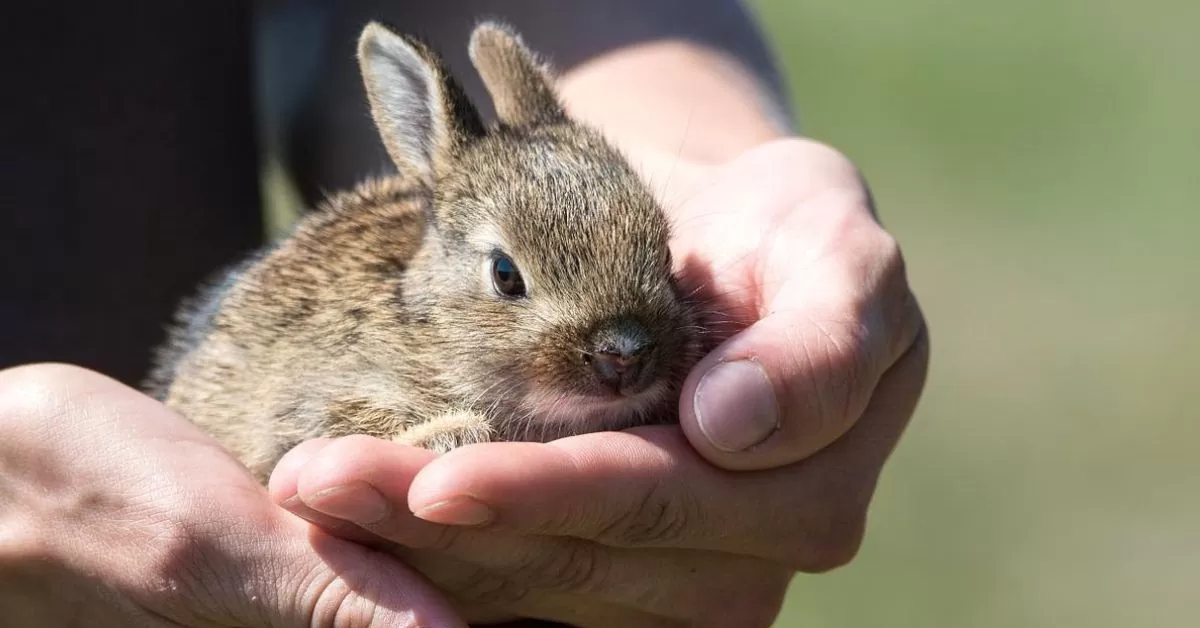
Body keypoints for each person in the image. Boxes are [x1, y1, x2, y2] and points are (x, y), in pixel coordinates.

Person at [0, 1, 928, 626]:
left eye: (652, 266)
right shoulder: (383, 352)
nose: (624, 352)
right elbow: (297, 429)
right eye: (514, 282)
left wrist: (733, 165)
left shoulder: (653, 344)